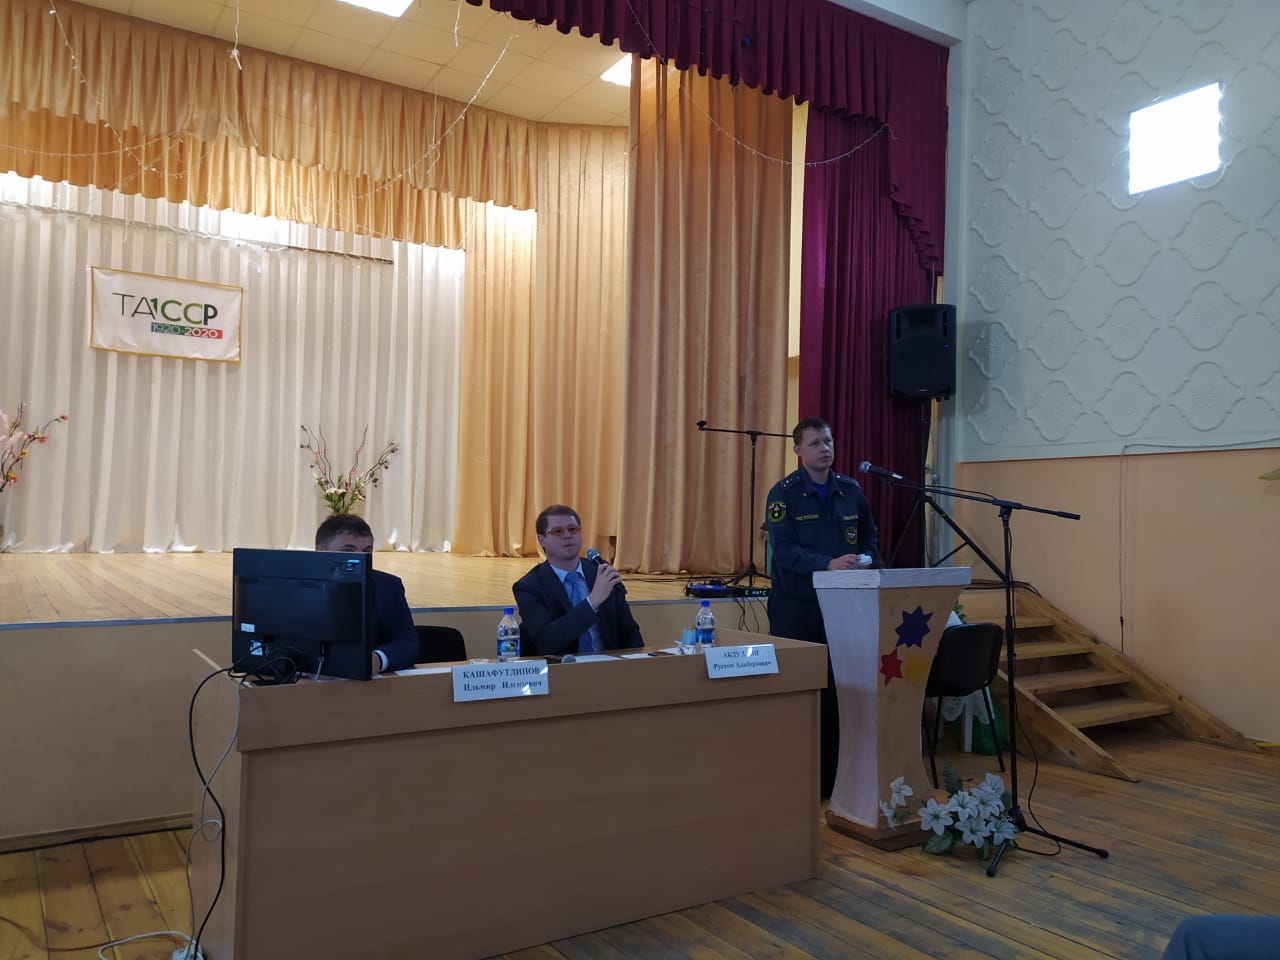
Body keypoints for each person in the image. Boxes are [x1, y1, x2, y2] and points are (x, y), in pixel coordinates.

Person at [764, 417, 879, 795]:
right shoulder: (783, 495)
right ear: (798, 450)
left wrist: (866, 559)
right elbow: (784, 552)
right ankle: (797, 778)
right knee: (800, 693)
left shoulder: (851, 491)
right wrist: (827, 564)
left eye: (828, 441)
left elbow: (869, 537)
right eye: (815, 443)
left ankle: (834, 778)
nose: (824, 448)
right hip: (798, 608)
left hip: (845, 606)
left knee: (837, 692)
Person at [512, 504, 644, 657]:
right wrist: (592, 602)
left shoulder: (601, 573)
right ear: (542, 540)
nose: (567, 535)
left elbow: (629, 631)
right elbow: (546, 641)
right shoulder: (528, 587)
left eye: (573, 529)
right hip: (563, 668)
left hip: (609, 665)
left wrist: (639, 663)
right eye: (558, 531)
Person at [315, 513, 419, 673]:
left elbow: (408, 643)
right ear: (320, 551)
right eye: (348, 551)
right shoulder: (292, 588)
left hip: (370, 684)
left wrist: (378, 659)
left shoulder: (388, 587)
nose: (359, 560)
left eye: (367, 552)